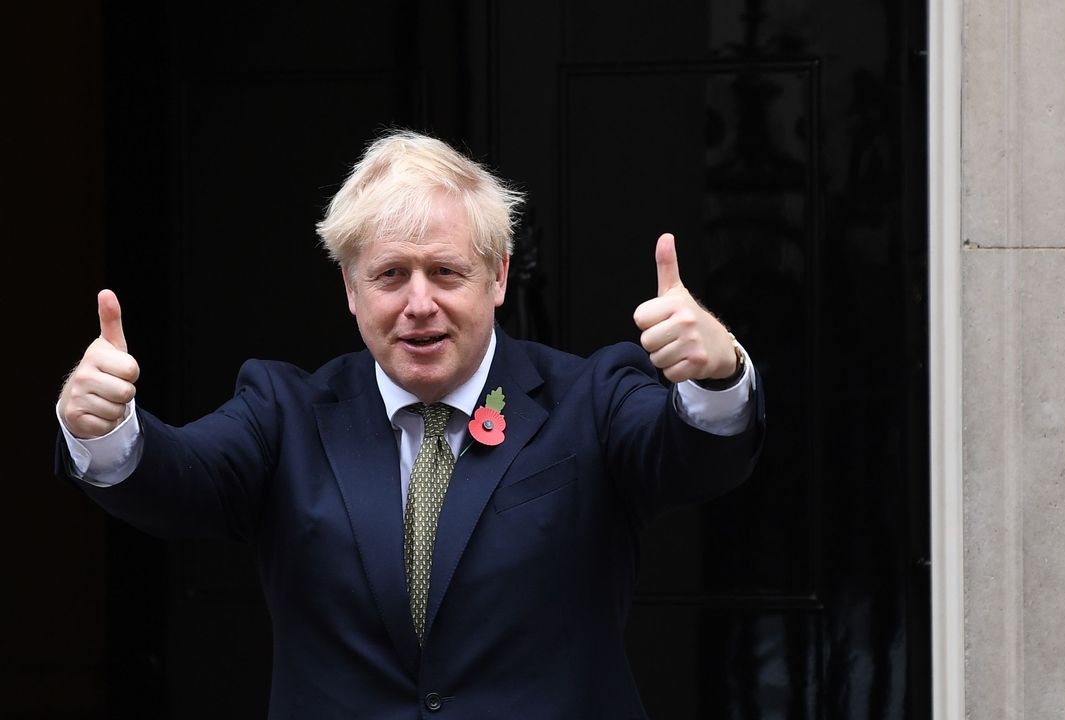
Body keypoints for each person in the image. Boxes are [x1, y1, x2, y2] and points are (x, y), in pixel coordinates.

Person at [56, 131, 764, 718]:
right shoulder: (285, 412)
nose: (419, 303)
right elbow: (180, 479)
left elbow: (696, 457)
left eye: (446, 273)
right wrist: (105, 428)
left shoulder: (590, 397)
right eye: (391, 275)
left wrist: (716, 374)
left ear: (497, 277)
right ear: (350, 289)